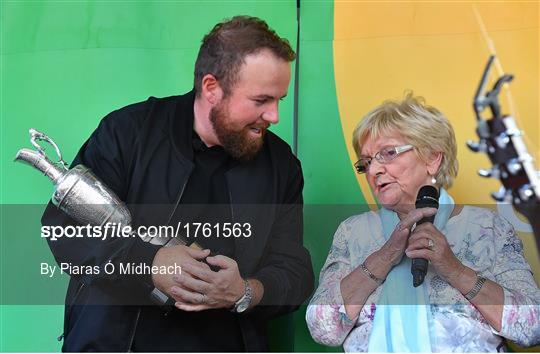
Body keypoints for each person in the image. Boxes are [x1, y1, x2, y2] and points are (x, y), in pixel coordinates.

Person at [42, 16, 314, 352]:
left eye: (279, 100)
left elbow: (294, 271)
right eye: (261, 101)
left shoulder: (281, 165)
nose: (274, 116)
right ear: (212, 88)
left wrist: (245, 291)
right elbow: (64, 227)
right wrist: (150, 263)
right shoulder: (127, 132)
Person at [305, 93, 540, 352]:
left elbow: (532, 328)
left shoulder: (488, 228)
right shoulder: (352, 232)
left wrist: (454, 269)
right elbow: (322, 329)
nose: (373, 171)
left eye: (388, 153)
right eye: (366, 163)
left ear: (432, 158)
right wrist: (384, 257)